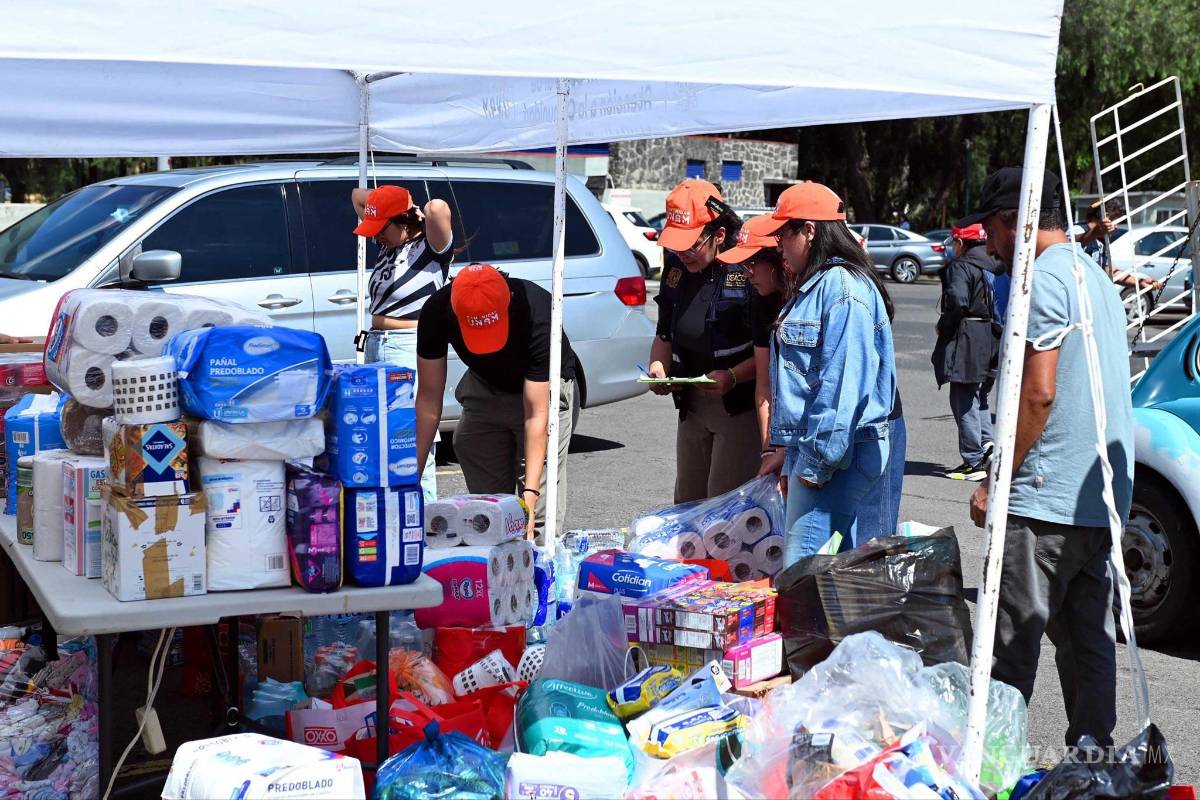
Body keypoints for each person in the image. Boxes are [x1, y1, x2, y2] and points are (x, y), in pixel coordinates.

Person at [961, 167, 1133, 748]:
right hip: (1098, 495)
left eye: (991, 230)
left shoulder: (1044, 279)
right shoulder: (1094, 275)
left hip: (1046, 498)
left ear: (1018, 220)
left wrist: (996, 480)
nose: (989, 246)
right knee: (1088, 642)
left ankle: (990, 766)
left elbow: (1039, 393)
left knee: (1009, 649)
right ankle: (1093, 762)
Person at [757, 183, 898, 566]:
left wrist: (813, 466)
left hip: (835, 453)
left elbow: (843, 386)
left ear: (809, 231)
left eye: (783, 233)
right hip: (828, 450)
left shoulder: (842, 289)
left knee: (802, 571)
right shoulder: (822, 284)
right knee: (832, 572)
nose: (778, 244)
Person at [414, 263, 575, 542]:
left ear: (507, 301)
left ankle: (539, 560)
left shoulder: (537, 312)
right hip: (484, 384)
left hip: (540, 390)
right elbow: (428, 400)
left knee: (537, 519)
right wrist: (410, 479)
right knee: (486, 516)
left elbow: (536, 415)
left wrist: (529, 500)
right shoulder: (437, 310)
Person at [648, 179, 759, 503]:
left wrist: (733, 376)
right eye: (676, 246)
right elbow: (665, 331)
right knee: (688, 500)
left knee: (724, 505)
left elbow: (771, 351)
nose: (682, 254)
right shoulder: (676, 267)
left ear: (719, 235)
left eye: (691, 246)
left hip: (737, 405)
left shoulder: (747, 267)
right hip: (692, 403)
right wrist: (658, 368)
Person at [352, 184, 455, 502]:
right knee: (381, 438)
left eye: (382, 229)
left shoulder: (432, 247)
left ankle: (423, 514)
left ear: (405, 222)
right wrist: (384, 207)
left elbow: (438, 208)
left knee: (412, 437)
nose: (376, 236)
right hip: (377, 345)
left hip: (410, 346)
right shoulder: (389, 244)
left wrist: (411, 207)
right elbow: (357, 195)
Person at [932, 223, 1004, 481]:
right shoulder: (998, 263)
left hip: (969, 337)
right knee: (981, 395)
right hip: (994, 336)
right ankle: (987, 445)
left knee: (963, 398)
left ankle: (973, 461)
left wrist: (944, 325)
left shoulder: (962, 266)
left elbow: (958, 301)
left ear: (961, 242)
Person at [1076, 200, 1161, 292]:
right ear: (1106, 217)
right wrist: (1093, 234)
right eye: (1116, 221)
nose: (1116, 226)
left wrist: (1139, 282)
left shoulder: (1101, 240)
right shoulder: (1077, 230)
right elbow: (1069, 246)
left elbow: (1108, 270)